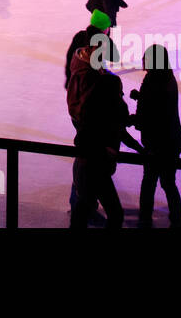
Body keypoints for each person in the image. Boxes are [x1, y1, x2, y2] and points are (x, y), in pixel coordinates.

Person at [66, 39, 143, 228]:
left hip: (89, 161)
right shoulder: (100, 103)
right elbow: (117, 126)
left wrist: (137, 147)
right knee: (110, 212)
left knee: (84, 208)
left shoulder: (95, 102)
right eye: (120, 93)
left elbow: (117, 128)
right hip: (95, 164)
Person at [129, 44, 181, 228]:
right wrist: (140, 97)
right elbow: (158, 105)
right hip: (172, 140)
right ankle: (177, 220)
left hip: (158, 143)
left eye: (146, 58)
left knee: (150, 182)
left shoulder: (152, 82)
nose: (143, 62)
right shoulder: (166, 77)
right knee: (168, 182)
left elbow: (150, 115)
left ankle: (145, 219)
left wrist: (131, 119)